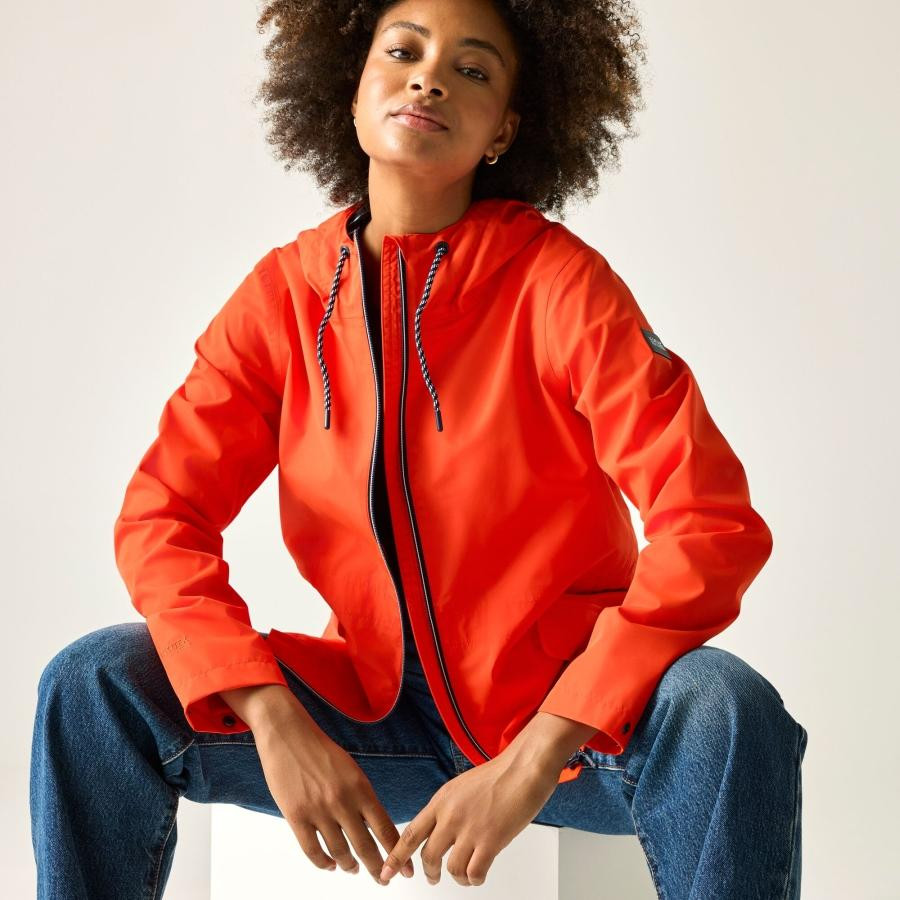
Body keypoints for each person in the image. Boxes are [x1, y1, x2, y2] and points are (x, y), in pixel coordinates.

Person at [29, 0, 809, 897]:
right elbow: (161, 518)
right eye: (402, 53)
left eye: (472, 70)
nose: (429, 78)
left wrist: (538, 752)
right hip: (368, 720)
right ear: (352, 92)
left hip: (571, 728)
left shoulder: (560, 287)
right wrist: (272, 716)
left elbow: (709, 523)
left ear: (504, 129)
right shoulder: (283, 299)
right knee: (93, 680)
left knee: (725, 706)